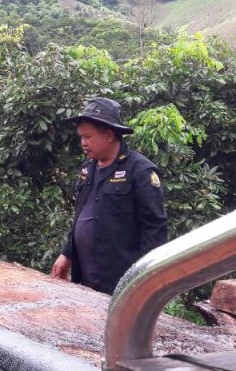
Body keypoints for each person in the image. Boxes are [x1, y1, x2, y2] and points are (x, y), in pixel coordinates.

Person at [50, 97, 167, 295]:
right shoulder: (88, 169)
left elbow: (155, 229)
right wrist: (66, 254)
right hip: (85, 280)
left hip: (121, 284)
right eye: (81, 137)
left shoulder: (139, 170)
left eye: (88, 137)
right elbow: (81, 216)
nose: (83, 143)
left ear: (109, 135)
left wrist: (144, 280)